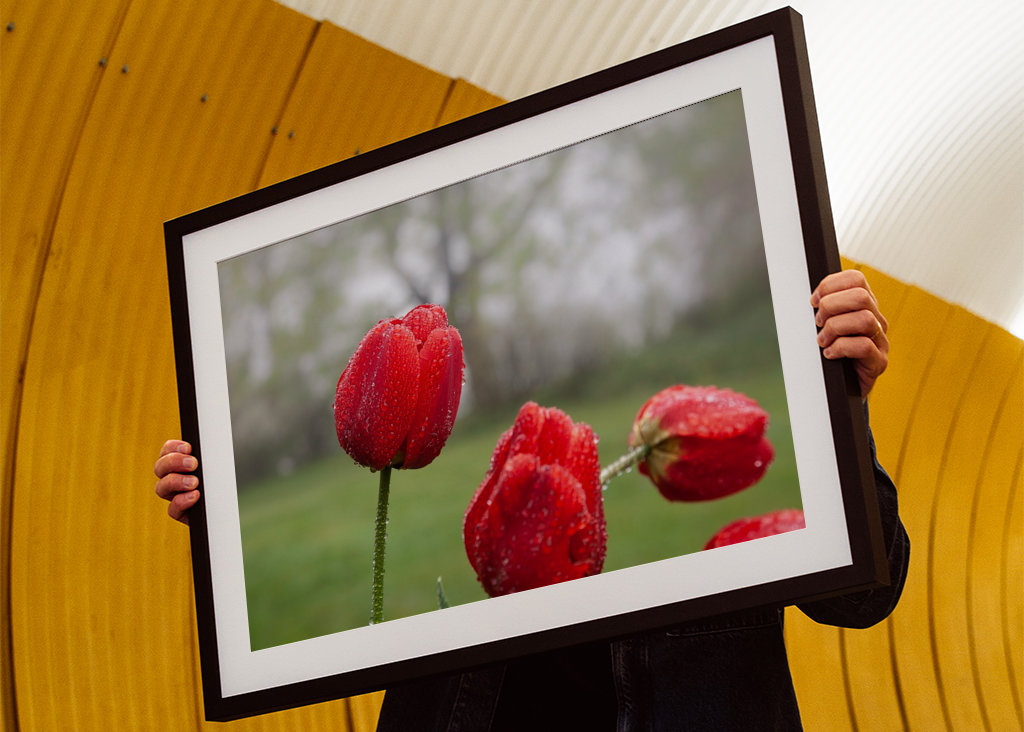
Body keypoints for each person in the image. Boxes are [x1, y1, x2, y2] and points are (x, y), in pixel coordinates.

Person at [154, 270, 909, 731]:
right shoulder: (523, 459)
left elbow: (867, 595)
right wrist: (216, 513)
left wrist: (842, 404)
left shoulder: (748, 436)